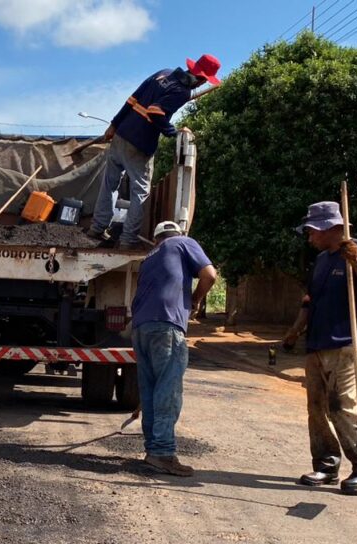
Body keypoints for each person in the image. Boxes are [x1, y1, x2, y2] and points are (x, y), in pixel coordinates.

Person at [283, 201, 357, 493]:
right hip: (317, 343)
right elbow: (310, 301)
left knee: (341, 404)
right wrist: (294, 332)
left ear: (328, 228)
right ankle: (326, 465)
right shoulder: (320, 261)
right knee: (316, 407)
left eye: (311, 232)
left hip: (348, 343)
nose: (309, 238)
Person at [88, 54, 221, 250]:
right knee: (140, 193)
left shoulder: (162, 73)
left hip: (122, 134)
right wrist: (172, 132)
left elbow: (132, 99)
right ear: (200, 78)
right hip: (140, 144)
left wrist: (114, 125)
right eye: (203, 82)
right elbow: (155, 112)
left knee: (110, 184)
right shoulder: (182, 92)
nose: (201, 86)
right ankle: (128, 240)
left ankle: (97, 228)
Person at [131, 221, 217, 476]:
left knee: (150, 390)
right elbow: (210, 275)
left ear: (156, 239)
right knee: (168, 389)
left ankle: (153, 449)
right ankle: (162, 453)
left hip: (141, 328)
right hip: (166, 326)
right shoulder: (183, 243)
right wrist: (196, 300)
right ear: (177, 235)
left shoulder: (149, 257)